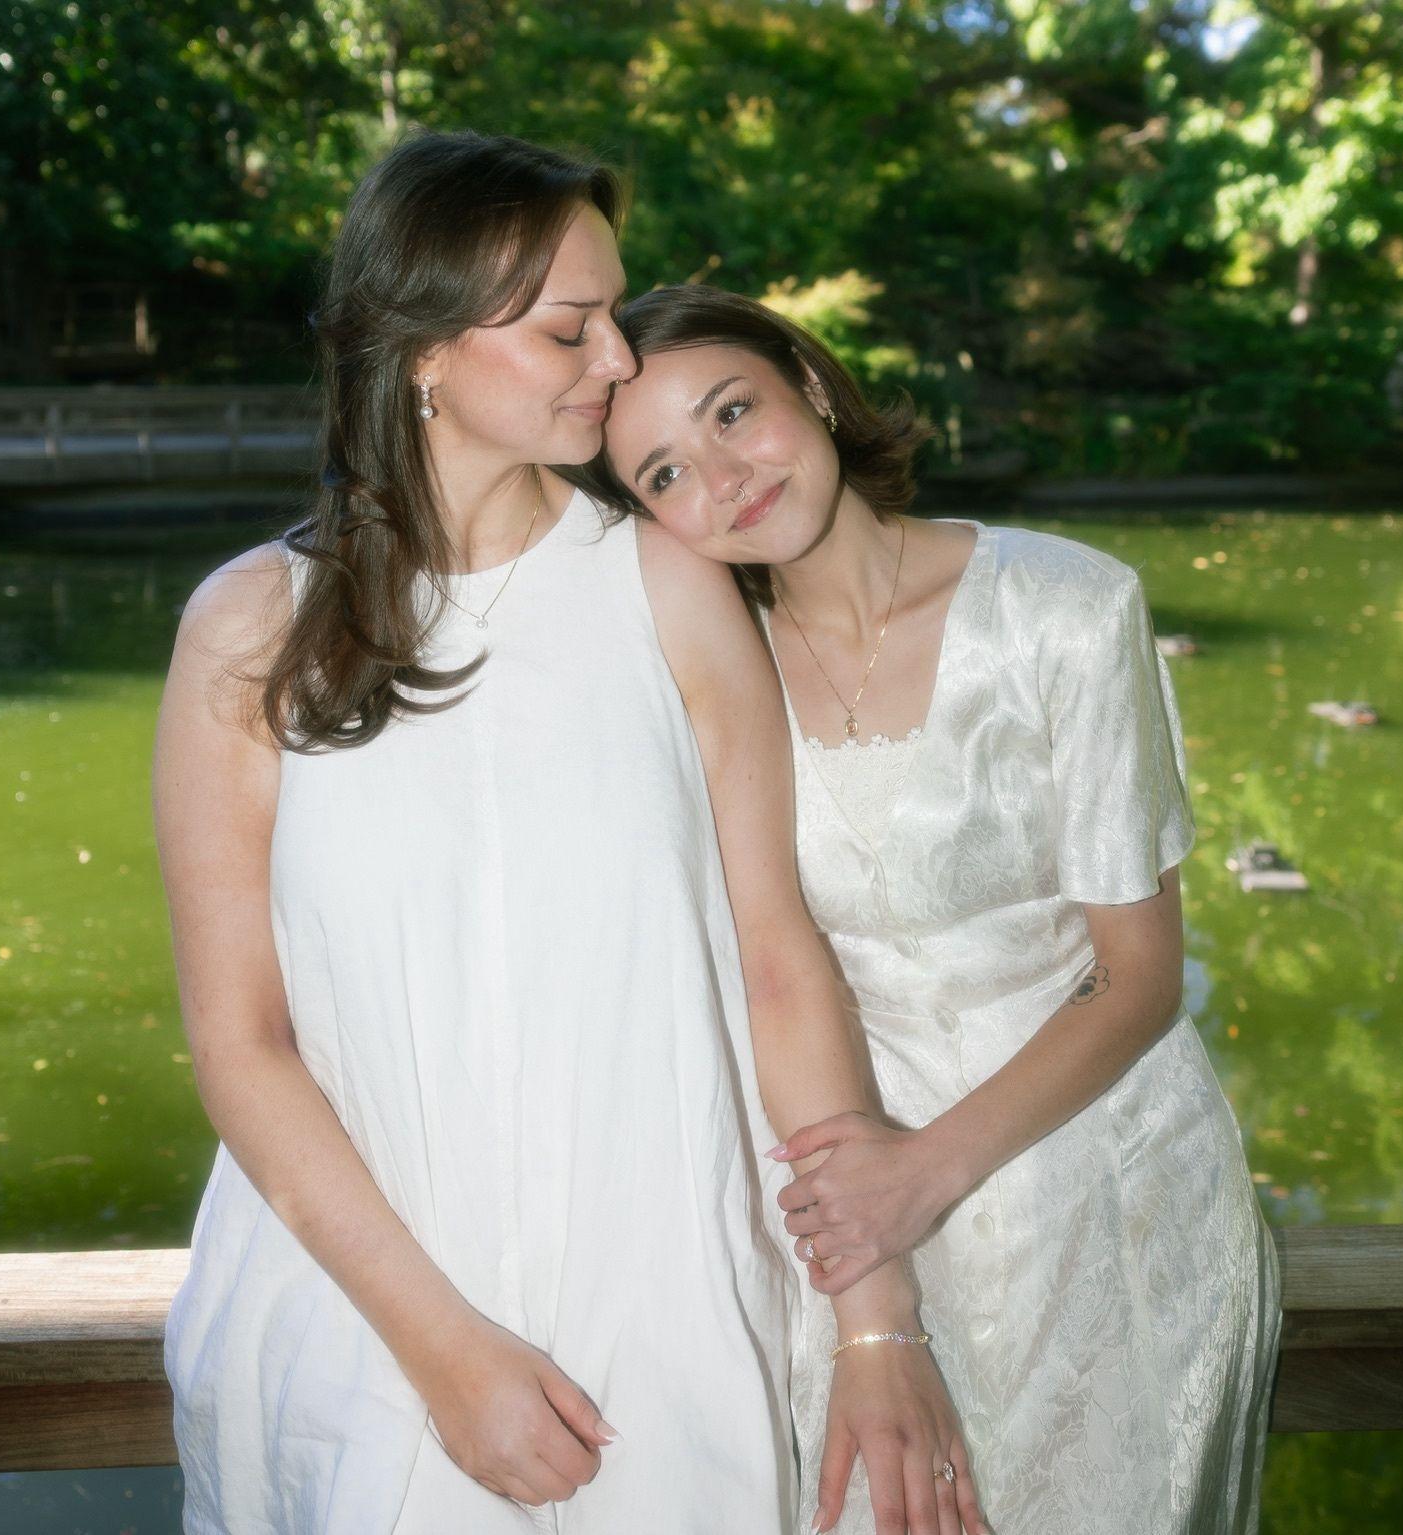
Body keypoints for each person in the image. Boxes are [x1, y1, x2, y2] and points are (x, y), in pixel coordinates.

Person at [155, 132, 983, 1535]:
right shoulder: (249, 630)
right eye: (567, 327)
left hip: (661, 1317)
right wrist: (442, 1349)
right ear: (423, 349)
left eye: (612, 311)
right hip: (361, 1330)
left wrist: (875, 1323)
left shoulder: (669, 583)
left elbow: (777, 965)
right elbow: (243, 1041)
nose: (617, 356)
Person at [591, 284, 1282, 1534]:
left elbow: (1138, 974)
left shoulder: (1065, 605)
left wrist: (926, 1168)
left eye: (733, 411)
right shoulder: (701, 667)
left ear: (810, 384)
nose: (726, 478)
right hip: (844, 1191)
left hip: (1098, 1172)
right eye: (666, 473)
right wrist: (876, 1214)